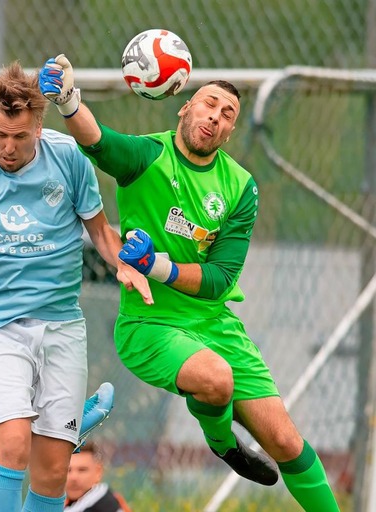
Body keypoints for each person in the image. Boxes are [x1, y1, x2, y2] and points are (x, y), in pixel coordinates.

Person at [38, 55, 340, 511]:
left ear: (229, 132)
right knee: (215, 378)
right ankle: (224, 444)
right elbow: (97, 140)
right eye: (208, 104)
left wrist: (156, 264)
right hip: (150, 323)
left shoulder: (240, 187)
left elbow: (219, 279)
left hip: (213, 322)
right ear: (184, 107)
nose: (215, 116)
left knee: (286, 440)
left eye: (227, 114)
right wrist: (66, 99)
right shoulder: (147, 157)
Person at [0, 60, 151, 512]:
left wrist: (123, 263)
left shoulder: (69, 158)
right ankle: (67, 423)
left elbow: (100, 232)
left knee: (52, 472)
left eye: (19, 137)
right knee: (14, 445)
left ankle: (67, 428)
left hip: (61, 324)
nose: (7, 147)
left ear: (39, 126)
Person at [65, 442, 131, 512]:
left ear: (98, 472)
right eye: (67, 470)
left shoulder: (102, 501)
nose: (73, 477)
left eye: (82, 470)